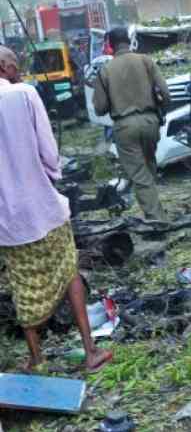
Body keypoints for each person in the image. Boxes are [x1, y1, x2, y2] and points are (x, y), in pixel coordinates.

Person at [0, 46, 113, 373]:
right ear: (6, 67)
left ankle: (37, 358)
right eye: (16, 66)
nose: (18, 72)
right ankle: (90, 351)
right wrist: (51, 174)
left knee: (21, 283)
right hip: (43, 207)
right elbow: (49, 152)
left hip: (7, 221)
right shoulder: (23, 94)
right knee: (68, 271)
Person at [93, 27, 169, 222]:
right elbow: (165, 93)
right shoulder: (146, 61)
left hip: (125, 127)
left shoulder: (105, 70)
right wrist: (162, 110)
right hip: (151, 121)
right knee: (148, 166)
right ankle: (157, 210)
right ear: (128, 41)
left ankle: (157, 220)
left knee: (139, 174)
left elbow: (100, 108)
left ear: (110, 45)